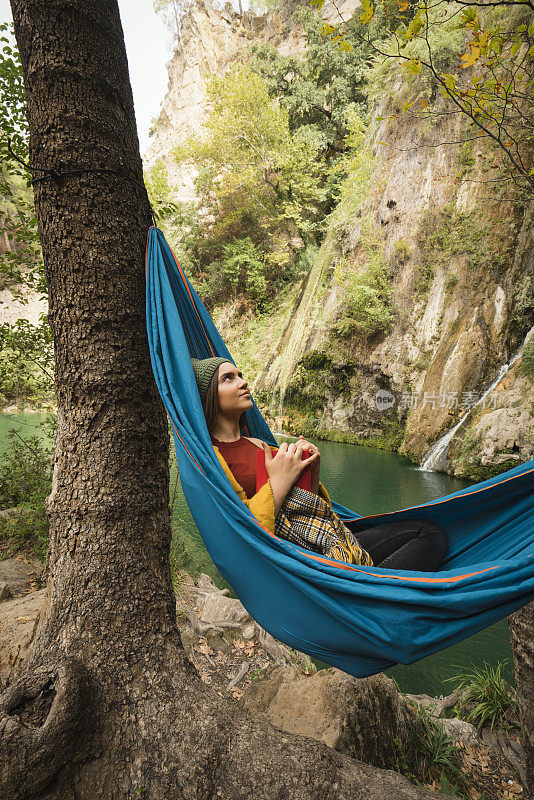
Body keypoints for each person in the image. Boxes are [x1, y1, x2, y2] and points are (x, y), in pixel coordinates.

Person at [191, 356, 447, 571]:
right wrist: (279, 480)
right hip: (290, 559)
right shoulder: (212, 458)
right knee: (428, 537)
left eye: (240, 374)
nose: (243, 381)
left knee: (428, 533)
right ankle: (365, 594)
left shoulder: (262, 447)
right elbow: (243, 531)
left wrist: (310, 471)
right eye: (228, 378)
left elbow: (307, 511)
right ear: (208, 396)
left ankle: (367, 590)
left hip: (316, 540)